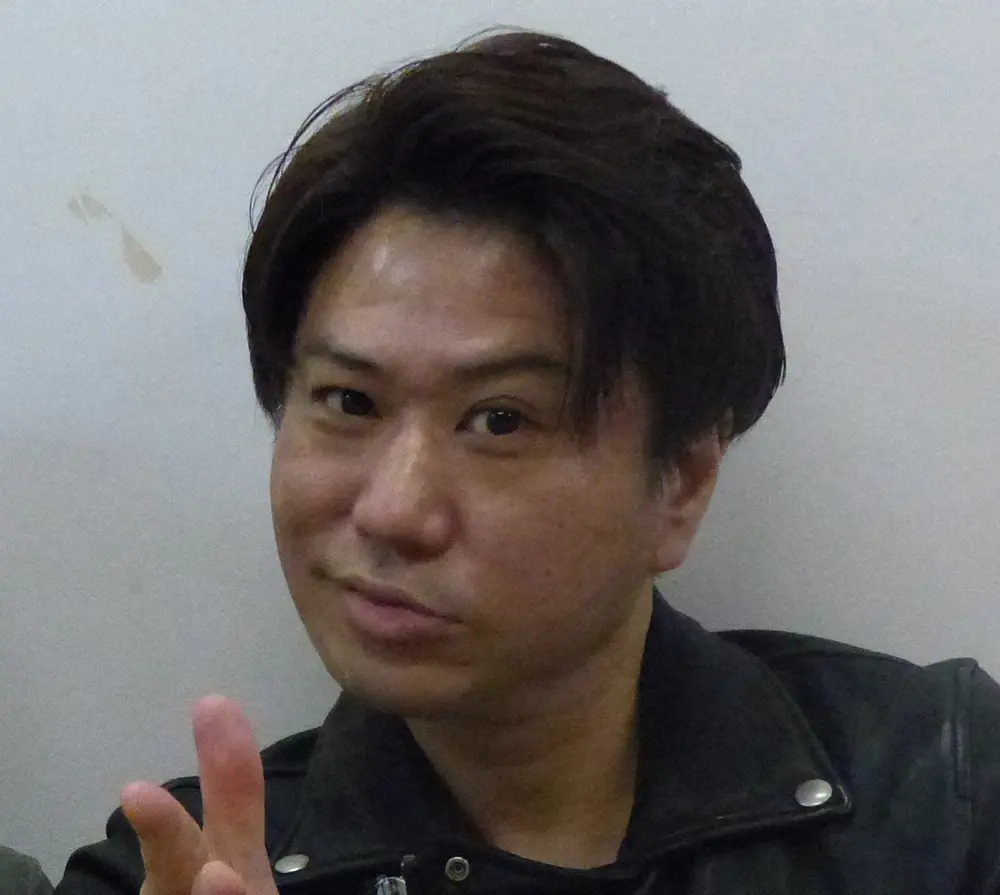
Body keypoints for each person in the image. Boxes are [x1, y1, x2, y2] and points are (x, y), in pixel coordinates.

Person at [55, 28, 1000, 895]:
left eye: (499, 420)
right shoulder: (175, 870)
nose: (394, 510)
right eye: (350, 401)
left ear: (681, 483)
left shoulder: (943, 792)